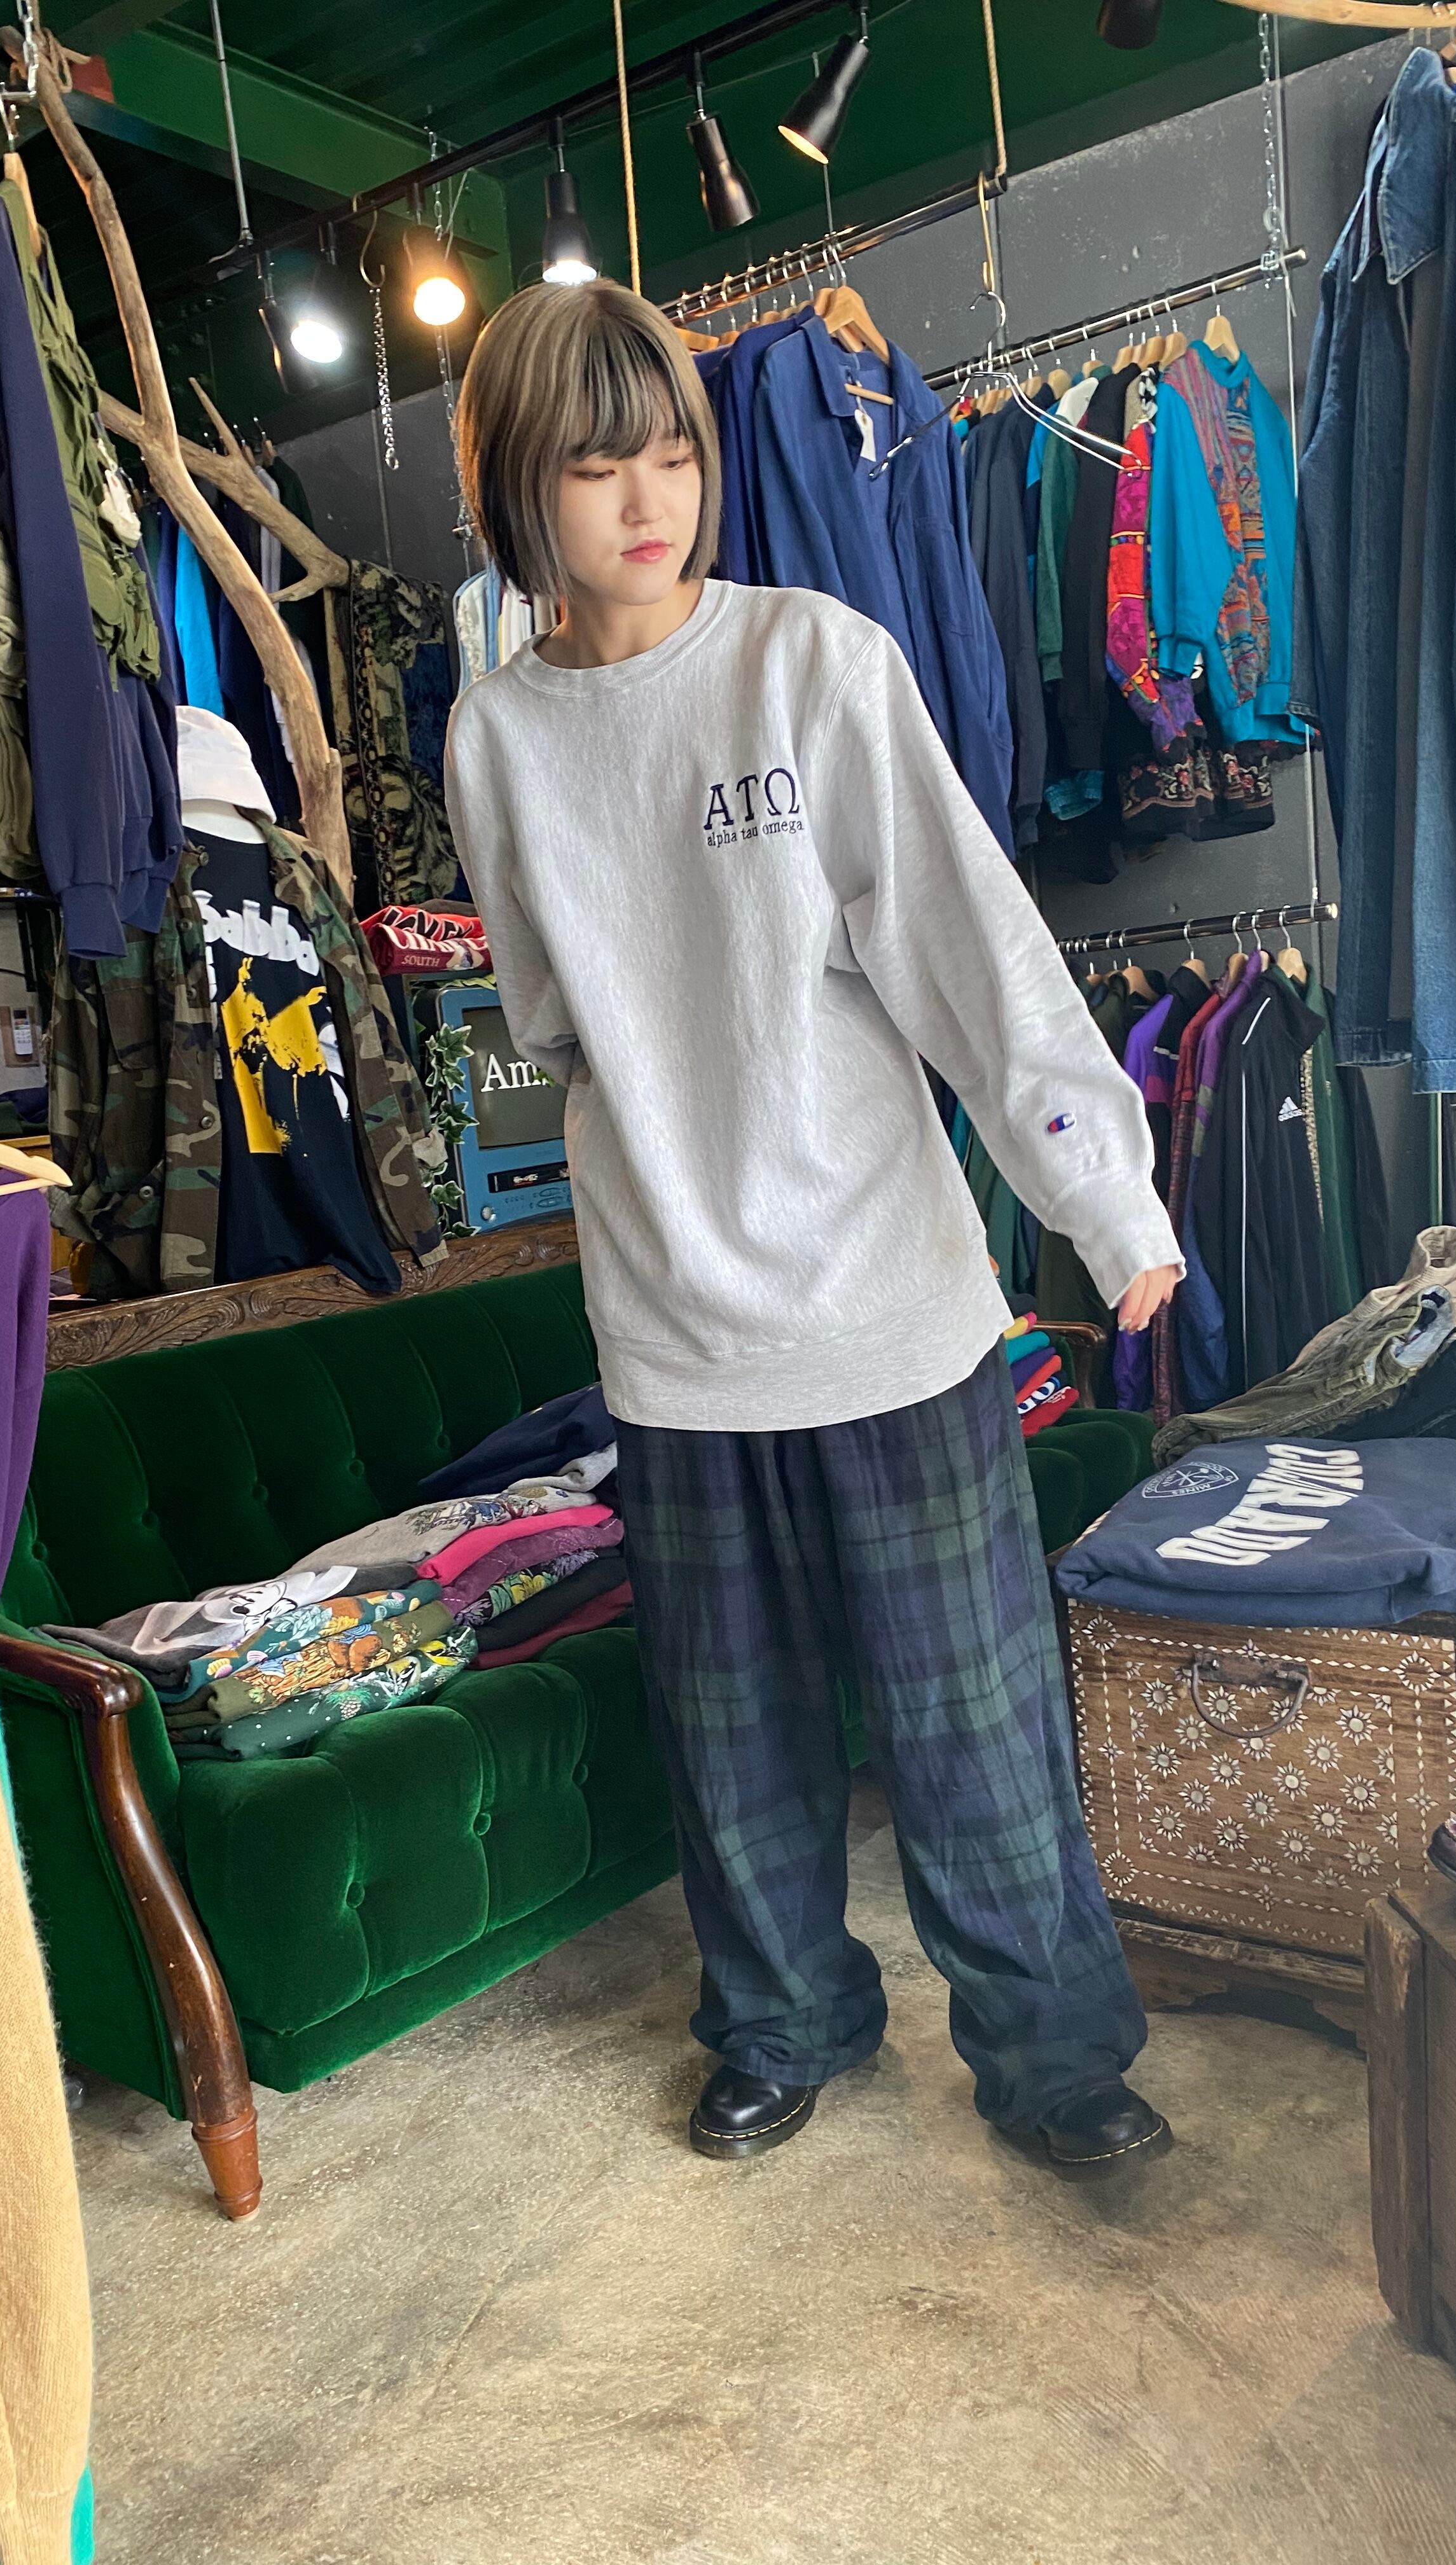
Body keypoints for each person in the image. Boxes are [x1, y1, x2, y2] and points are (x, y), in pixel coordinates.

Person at [445, 281, 1184, 2174]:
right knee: (734, 1732)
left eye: (671, 453)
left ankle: (1055, 2061)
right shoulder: (497, 738)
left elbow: (971, 953)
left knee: (975, 1722)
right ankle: (782, 2022)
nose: (648, 500)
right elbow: (548, 1016)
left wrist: (1105, 1201)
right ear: (517, 488)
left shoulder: (814, 664)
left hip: (888, 1302)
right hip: (674, 1329)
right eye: (594, 465)